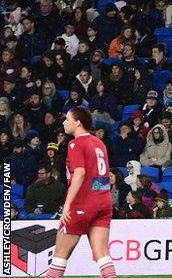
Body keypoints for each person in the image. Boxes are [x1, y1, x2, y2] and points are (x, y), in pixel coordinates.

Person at [47, 107, 118, 278]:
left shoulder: (75, 143)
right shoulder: (99, 142)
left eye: (67, 119)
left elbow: (79, 174)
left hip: (83, 203)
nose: (64, 123)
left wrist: (67, 205)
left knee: (59, 256)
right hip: (103, 202)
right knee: (102, 255)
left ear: (78, 122)